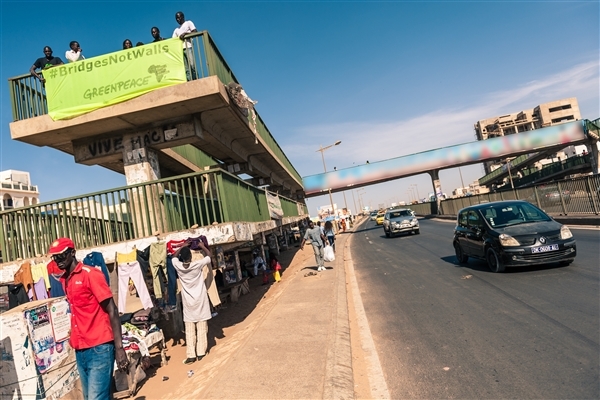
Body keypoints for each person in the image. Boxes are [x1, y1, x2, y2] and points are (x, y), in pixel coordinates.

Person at [48, 237, 128, 400]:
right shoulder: (65, 280)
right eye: (55, 257)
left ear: (72, 253)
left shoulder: (91, 275)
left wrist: (119, 348)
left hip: (100, 348)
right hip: (81, 349)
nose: (58, 261)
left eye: (61, 256)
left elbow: (112, 310)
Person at [172, 240, 213, 365]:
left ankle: (191, 355)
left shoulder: (178, 267)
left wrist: (182, 246)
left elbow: (173, 257)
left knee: (189, 330)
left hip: (188, 303)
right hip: (200, 300)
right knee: (201, 327)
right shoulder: (197, 265)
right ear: (190, 257)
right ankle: (201, 353)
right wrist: (202, 246)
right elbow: (209, 256)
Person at [172, 11, 197, 80]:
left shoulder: (188, 23)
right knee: (186, 68)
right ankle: (189, 81)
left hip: (188, 47)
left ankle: (195, 79)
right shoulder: (176, 30)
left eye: (179, 17)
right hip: (180, 50)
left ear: (182, 16)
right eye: (176, 18)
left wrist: (185, 34)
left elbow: (195, 31)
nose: (178, 19)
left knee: (192, 65)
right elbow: (173, 40)